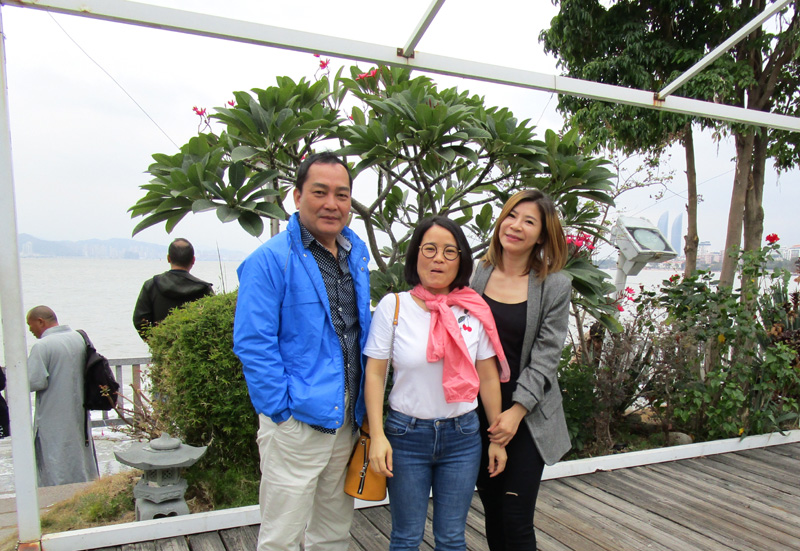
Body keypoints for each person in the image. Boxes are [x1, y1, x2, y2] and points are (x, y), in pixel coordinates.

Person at [233, 151, 372, 551]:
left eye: (342, 195)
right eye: (320, 192)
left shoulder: (354, 253)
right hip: (297, 423)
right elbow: (253, 343)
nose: (332, 203)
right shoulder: (269, 260)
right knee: (282, 536)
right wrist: (281, 412)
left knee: (333, 531)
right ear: (297, 196)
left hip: (345, 419)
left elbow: (354, 330)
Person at [364, 215, 509, 551]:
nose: (438, 259)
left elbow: (488, 377)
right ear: (416, 254)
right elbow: (375, 374)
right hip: (405, 437)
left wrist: (497, 440)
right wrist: (378, 436)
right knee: (405, 537)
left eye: (449, 251)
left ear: (461, 261)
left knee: (452, 538)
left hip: (463, 438)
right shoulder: (394, 306)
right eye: (429, 249)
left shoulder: (473, 309)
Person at [470, 189, 572, 551]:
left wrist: (515, 412)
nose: (515, 226)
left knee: (516, 516)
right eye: (511, 216)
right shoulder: (475, 274)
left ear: (542, 235)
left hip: (529, 414)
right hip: (479, 411)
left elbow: (546, 356)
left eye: (529, 221)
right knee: (494, 512)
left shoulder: (554, 285)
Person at [26, 305, 99, 487]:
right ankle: (83, 488)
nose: (30, 330)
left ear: (40, 322)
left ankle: (58, 494)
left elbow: (34, 381)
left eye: (30, 325)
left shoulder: (42, 346)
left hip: (53, 412)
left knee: (55, 458)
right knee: (80, 454)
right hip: (79, 409)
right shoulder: (78, 338)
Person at [132, 238, 214, 338]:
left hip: (161, 346)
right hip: (195, 347)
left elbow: (139, 320)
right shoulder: (204, 289)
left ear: (168, 258)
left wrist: (155, 341)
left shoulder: (151, 285)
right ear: (193, 260)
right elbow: (213, 321)